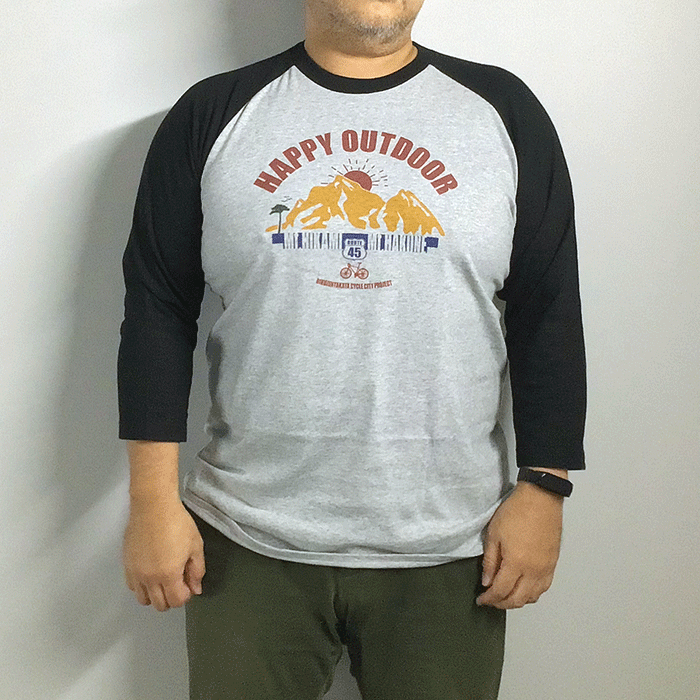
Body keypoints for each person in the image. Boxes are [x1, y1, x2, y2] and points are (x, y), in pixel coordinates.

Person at [119, 1, 586, 698]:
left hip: (453, 547)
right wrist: (151, 501)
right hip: (245, 540)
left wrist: (545, 489)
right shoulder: (212, 114)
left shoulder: (504, 112)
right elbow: (157, 311)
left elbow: (549, 314)